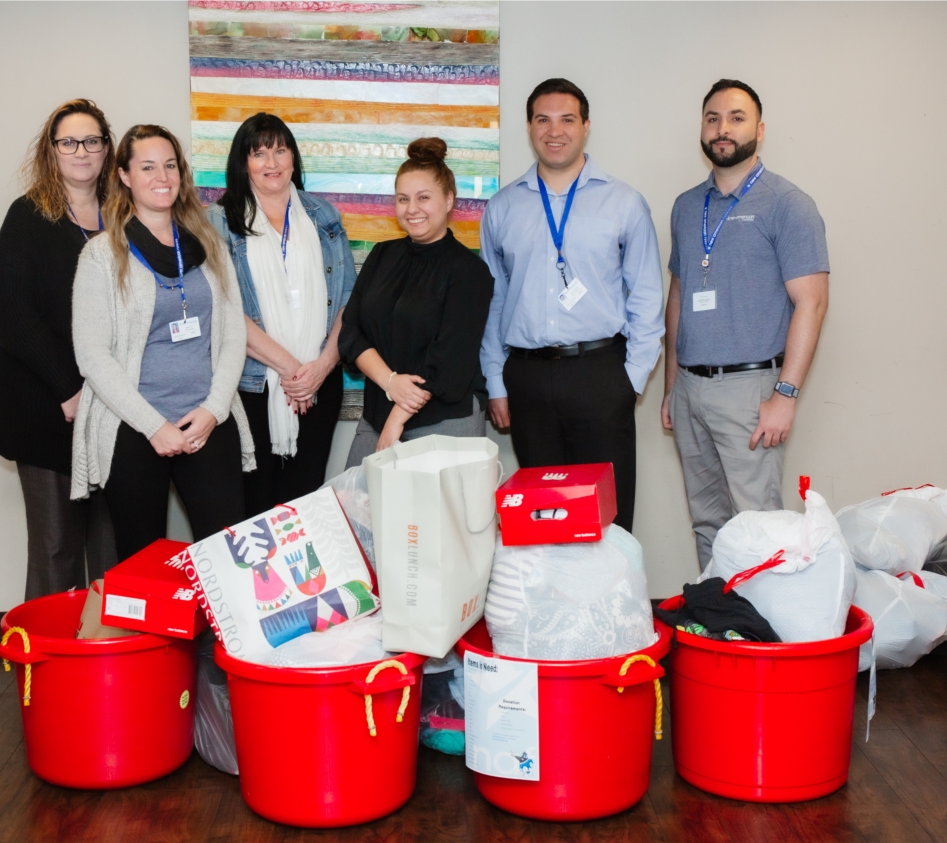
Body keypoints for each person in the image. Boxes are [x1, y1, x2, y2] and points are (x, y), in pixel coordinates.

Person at [479, 78, 664, 532]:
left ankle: (611, 602)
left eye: (566, 119)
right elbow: (493, 301)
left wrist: (631, 379)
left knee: (608, 518)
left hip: (600, 373)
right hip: (526, 376)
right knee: (542, 515)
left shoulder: (624, 203)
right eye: (543, 119)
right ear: (529, 127)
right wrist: (496, 382)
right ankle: (550, 605)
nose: (554, 130)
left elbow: (646, 296)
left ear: (585, 126)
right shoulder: (502, 208)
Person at [662, 79, 830, 570]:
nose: (722, 128)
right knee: (707, 521)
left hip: (752, 390)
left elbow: (812, 304)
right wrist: (672, 384)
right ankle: (721, 626)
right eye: (713, 117)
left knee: (758, 527)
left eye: (736, 117)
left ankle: (764, 637)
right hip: (691, 387)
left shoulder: (789, 205)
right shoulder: (687, 206)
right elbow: (680, 294)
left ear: (759, 129)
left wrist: (785, 396)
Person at [70, 124, 255, 560]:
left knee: (228, 558)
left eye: (170, 165)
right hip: (135, 427)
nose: (162, 176)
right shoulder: (102, 254)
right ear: (125, 176)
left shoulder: (209, 243)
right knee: (142, 563)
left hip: (207, 421)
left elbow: (232, 335)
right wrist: (154, 426)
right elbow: (92, 355)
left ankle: (216, 633)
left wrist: (213, 410)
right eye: (148, 166)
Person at [0, 99, 118, 600]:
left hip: (113, 408)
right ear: (52, 150)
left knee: (113, 551)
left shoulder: (126, 217)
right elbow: (12, 315)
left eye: (92, 140)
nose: (81, 151)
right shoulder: (28, 216)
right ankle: (46, 675)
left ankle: (109, 672)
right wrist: (67, 389)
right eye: (69, 142)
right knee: (56, 547)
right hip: (46, 405)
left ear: (107, 149)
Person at [208, 113, 355, 514]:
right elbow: (224, 310)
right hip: (253, 386)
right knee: (255, 505)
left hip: (320, 384)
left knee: (305, 503)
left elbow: (347, 300)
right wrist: (292, 370)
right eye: (258, 154)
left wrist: (321, 368)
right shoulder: (218, 222)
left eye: (279, 150)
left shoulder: (324, 216)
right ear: (243, 163)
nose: (271, 162)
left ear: (293, 157)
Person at [339, 138, 494, 466]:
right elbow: (351, 333)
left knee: (435, 518)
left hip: (444, 422)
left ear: (449, 200)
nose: (412, 209)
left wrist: (397, 418)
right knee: (351, 507)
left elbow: (447, 367)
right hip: (378, 413)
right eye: (403, 199)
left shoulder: (469, 272)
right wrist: (390, 383)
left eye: (424, 197)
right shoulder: (382, 255)